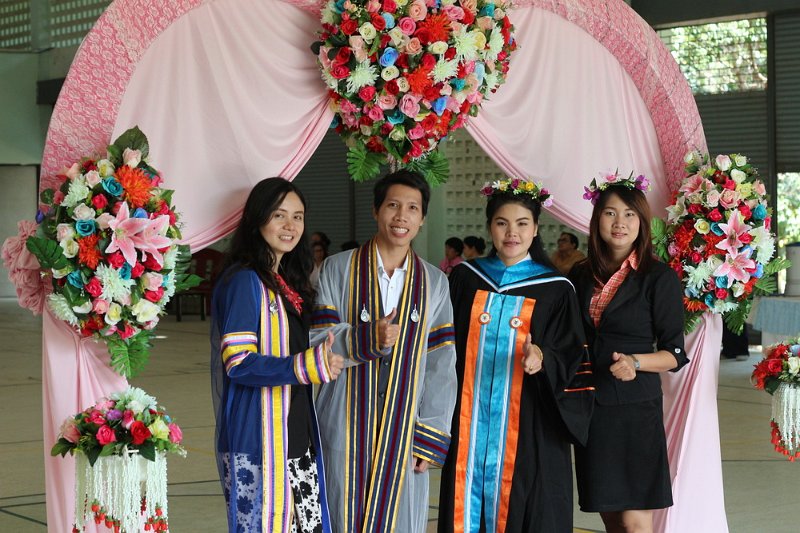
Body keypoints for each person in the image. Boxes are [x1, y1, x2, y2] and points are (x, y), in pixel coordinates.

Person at [438, 178, 594, 533]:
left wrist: (544, 358)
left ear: (536, 228)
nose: (512, 233)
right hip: (467, 420)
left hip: (528, 424)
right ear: (489, 226)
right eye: (502, 223)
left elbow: (572, 356)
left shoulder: (556, 289)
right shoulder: (465, 279)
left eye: (522, 223)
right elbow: (442, 346)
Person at [310, 170, 458, 533]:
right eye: (392, 205)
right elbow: (317, 339)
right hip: (344, 419)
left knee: (400, 517)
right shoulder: (336, 269)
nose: (401, 216)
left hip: (405, 426)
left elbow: (441, 362)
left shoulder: (434, 282)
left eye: (412, 208)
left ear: (423, 219)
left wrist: (431, 431)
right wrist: (365, 339)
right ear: (376, 210)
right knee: (341, 511)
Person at [210, 177, 345, 533]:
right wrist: (305, 365)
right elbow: (238, 361)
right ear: (258, 219)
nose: (290, 226)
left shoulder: (283, 282)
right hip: (260, 436)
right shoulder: (244, 281)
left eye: (298, 217)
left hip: (295, 433)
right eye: (279, 215)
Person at [570, 176, 688, 533]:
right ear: (597, 219)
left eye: (629, 214)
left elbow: (675, 353)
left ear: (641, 222)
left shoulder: (658, 277)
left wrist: (636, 362)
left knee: (635, 523)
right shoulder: (579, 274)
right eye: (610, 213)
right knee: (610, 518)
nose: (619, 223)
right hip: (591, 408)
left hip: (635, 410)